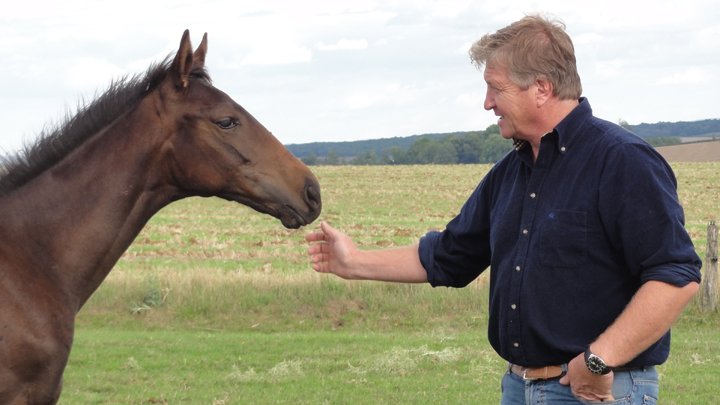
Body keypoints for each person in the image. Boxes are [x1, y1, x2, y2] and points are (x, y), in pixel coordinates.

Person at [305, 14, 702, 404]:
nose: (487, 103)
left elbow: (676, 275)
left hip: (594, 390)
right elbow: (450, 256)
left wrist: (598, 360)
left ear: (541, 88)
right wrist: (352, 261)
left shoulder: (622, 161)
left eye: (496, 88)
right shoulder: (510, 172)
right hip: (518, 387)